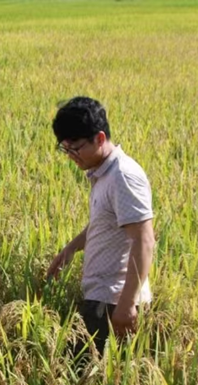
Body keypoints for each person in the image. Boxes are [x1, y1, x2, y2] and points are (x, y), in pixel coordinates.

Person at [45, 97, 155, 353]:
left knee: (85, 376)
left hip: (113, 299)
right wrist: (71, 248)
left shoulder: (123, 177)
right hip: (101, 295)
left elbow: (144, 240)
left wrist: (127, 304)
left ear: (100, 138)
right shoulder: (102, 173)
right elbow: (105, 224)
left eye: (76, 148)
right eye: (65, 149)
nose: (71, 156)